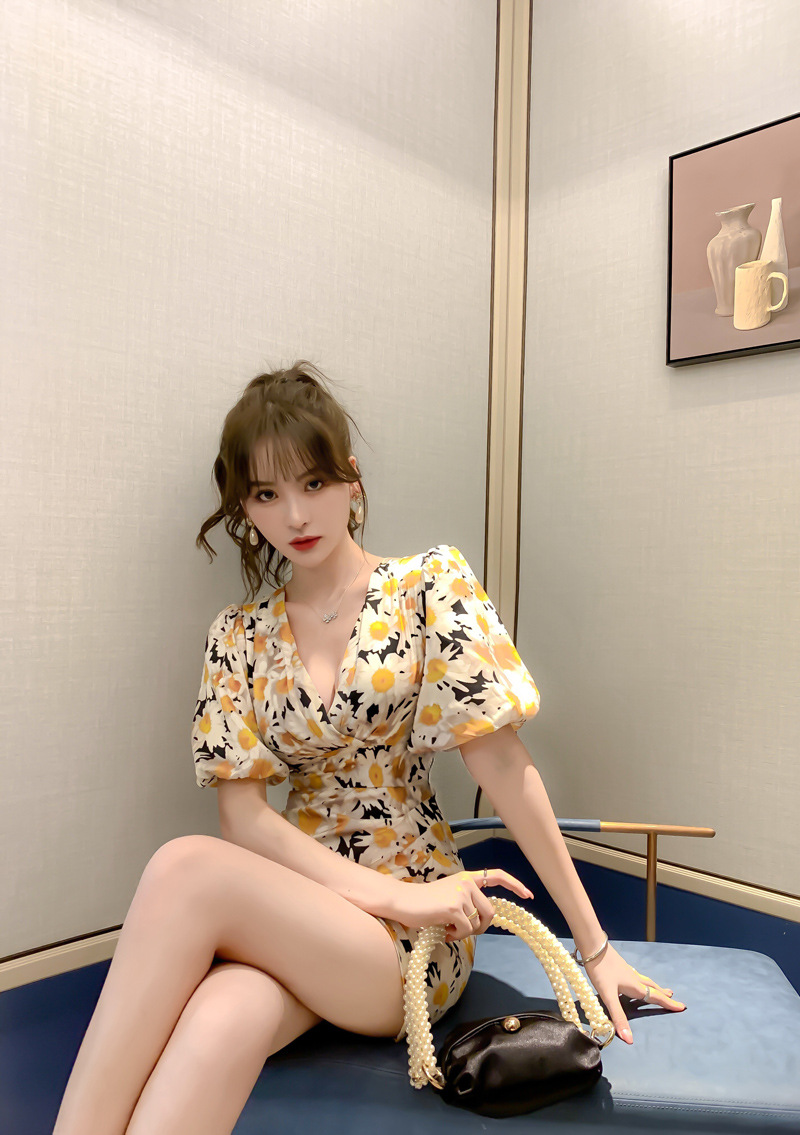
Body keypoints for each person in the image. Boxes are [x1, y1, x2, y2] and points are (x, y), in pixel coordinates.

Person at [53, 360, 685, 1135]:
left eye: (314, 482)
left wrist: (595, 947)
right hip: (300, 911)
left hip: (415, 927)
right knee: (222, 1017)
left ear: (351, 478)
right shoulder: (238, 635)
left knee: (183, 868)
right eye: (265, 494)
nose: (295, 513)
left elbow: (502, 764)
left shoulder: (426, 585)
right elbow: (245, 820)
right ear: (244, 506)